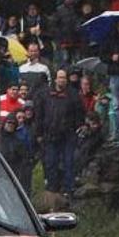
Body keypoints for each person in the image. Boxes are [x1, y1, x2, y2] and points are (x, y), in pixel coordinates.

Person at [34, 69, 85, 200]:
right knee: (51, 163)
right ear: (55, 79)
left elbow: (80, 113)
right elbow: (39, 114)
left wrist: (76, 127)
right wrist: (39, 133)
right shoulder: (45, 94)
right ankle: (52, 189)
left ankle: (68, 190)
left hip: (68, 135)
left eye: (64, 78)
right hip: (50, 135)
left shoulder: (73, 95)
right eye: (59, 77)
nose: (61, 80)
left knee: (69, 162)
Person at [0, 113, 32, 194]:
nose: (11, 125)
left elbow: (25, 159)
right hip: (0, 171)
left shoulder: (18, 142)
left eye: (13, 123)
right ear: (5, 123)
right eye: (9, 122)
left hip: (14, 174)